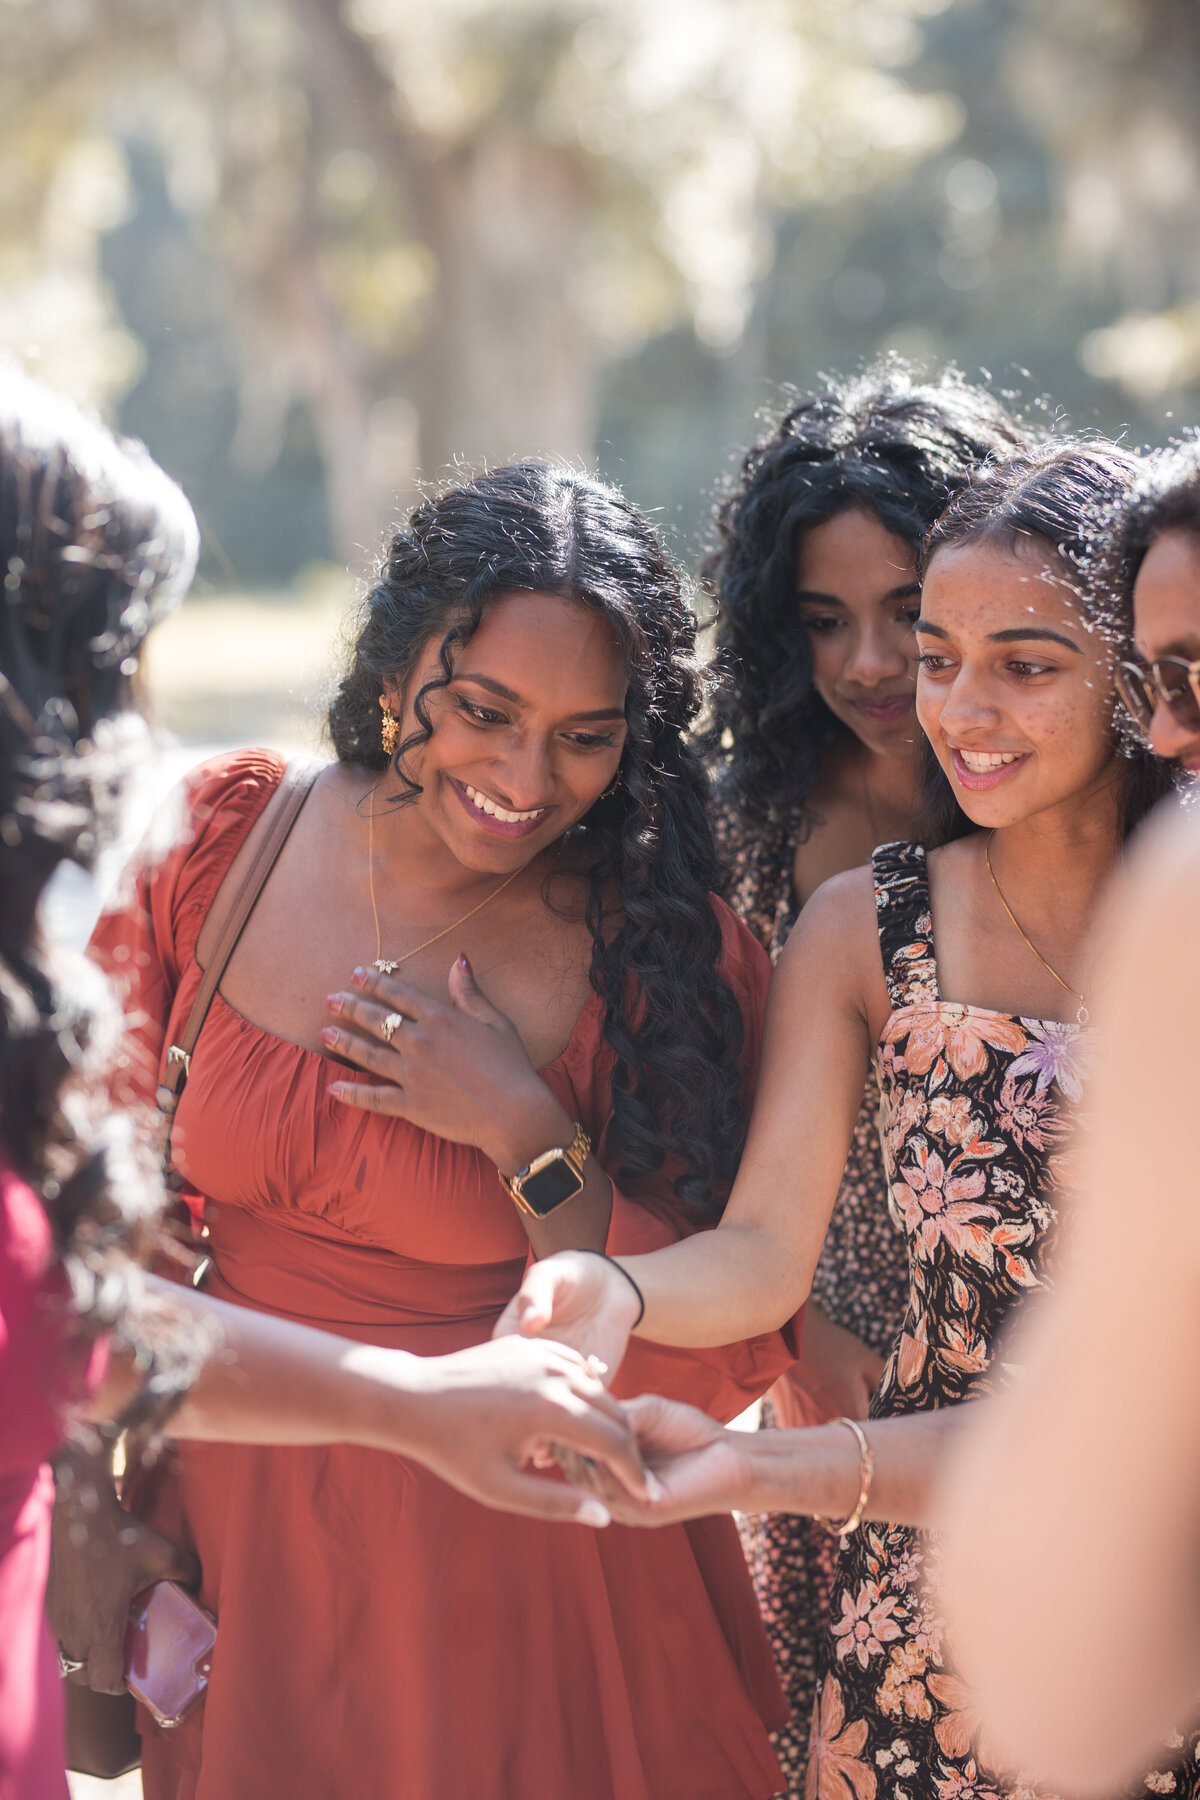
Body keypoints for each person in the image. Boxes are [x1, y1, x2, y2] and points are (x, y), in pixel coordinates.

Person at [51, 461, 798, 1800]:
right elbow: (72, 1223)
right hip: (251, 1511)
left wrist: (528, 1131)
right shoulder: (229, 842)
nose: (525, 777)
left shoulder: (665, 954)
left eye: (585, 733)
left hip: (527, 1551)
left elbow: (707, 1329)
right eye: (483, 712)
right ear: (398, 676)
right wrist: (85, 1505)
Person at [500, 439, 1183, 1793]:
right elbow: (763, 1250)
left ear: (1135, 679)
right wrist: (610, 1288)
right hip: (922, 1615)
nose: (960, 709)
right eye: (940, 659)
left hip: (1164, 1584)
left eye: (1025, 666)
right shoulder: (866, 929)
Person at [702, 362, 1030, 1788]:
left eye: (909, 612)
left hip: (1032, 1359)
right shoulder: (753, 841)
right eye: (824, 621)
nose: (868, 666)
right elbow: (719, 1132)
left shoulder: (1088, 813)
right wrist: (800, 1351)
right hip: (821, 1371)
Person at [935, 441, 1200, 1792]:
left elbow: (1069, 1687)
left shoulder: (1186, 908)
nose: (1170, 732)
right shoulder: (871, 922)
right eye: (1162, 680)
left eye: (1192, 677)